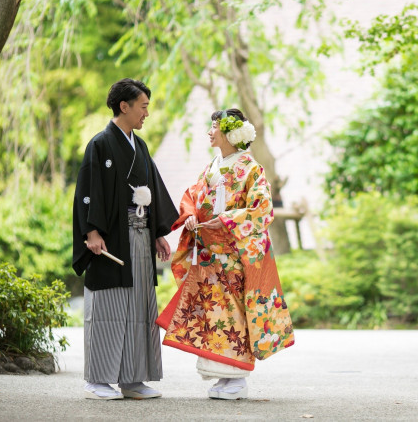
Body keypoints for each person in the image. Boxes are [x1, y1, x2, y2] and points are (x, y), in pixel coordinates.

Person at [156, 108, 295, 400]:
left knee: (233, 315)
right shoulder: (212, 166)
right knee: (213, 314)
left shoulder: (250, 168)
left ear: (230, 133)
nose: (210, 132)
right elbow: (192, 196)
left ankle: (238, 377)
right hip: (209, 253)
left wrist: (230, 219)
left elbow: (262, 207)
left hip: (233, 253)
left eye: (215, 127)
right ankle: (224, 375)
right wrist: (191, 215)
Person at [72, 78, 179, 400]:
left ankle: (133, 379)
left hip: (140, 236)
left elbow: (154, 189)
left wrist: (158, 233)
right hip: (112, 238)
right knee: (108, 307)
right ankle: (97, 380)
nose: (147, 113)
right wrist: (91, 232)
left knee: (139, 307)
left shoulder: (140, 146)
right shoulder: (101, 143)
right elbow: (89, 191)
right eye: (143, 106)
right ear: (125, 106)